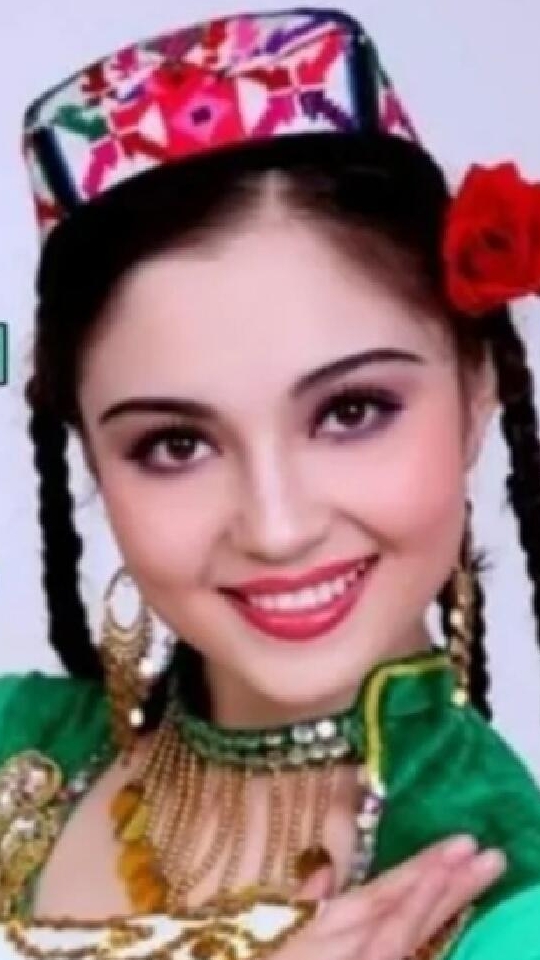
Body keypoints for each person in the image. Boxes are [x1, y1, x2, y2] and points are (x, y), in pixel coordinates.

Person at [1, 6, 540, 958]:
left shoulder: (510, 908)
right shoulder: (17, 737)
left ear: (476, 388)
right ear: (88, 453)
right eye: (175, 444)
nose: (277, 526)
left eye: (351, 411)